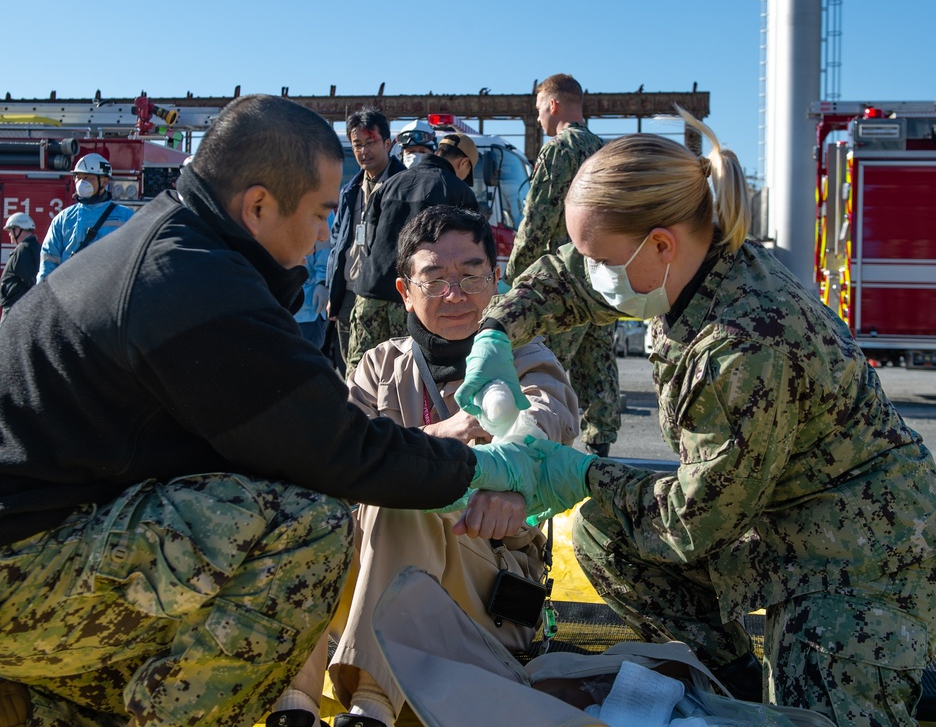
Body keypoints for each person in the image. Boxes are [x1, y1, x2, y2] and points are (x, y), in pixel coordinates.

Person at [0, 95, 547, 727]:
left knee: (258, 505)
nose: (320, 237)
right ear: (257, 206)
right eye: (317, 214)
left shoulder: (172, 248)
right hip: (4, 574)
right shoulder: (190, 283)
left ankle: (53, 709)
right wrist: (482, 469)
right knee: (308, 522)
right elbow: (335, 451)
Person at [454, 109, 936, 726]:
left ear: (660, 243)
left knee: (826, 723)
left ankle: (890, 664)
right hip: (767, 511)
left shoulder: (744, 344)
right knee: (608, 532)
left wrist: (577, 474)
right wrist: (497, 331)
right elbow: (568, 278)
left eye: (603, 258)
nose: (595, 273)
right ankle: (735, 681)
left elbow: (692, 522)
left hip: (854, 550)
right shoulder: (685, 266)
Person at [269, 205, 580, 727]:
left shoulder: (522, 358)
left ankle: (372, 702)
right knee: (309, 503)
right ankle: (295, 705)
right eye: (434, 279)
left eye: (471, 275)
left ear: (495, 279)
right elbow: (336, 461)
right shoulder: (380, 365)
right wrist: (442, 436)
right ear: (404, 291)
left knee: (410, 489)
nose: (455, 293)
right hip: (381, 580)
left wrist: (506, 482)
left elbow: (546, 426)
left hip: (486, 591)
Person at [505, 73, 620, 457]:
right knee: (598, 367)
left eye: (539, 109)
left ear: (553, 105)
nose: (538, 119)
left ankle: (539, 453)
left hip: (562, 284)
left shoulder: (559, 150)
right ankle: (600, 453)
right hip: (604, 279)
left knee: (543, 367)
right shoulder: (604, 152)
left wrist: (515, 279)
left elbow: (537, 222)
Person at [345, 132, 480, 377]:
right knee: (409, 382)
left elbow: (368, 240)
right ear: (463, 163)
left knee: (359, 376)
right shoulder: (459, 191)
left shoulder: (390, 183)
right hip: (412, 300)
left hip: (368, 294)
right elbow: (466, 253)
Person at [325, 109, 405, 376]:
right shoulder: (349, 191)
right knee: (352, 372)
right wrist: (332, 293)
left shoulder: (405, 186)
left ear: (387, 143)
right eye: (357, 144)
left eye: (370, 142)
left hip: (388, 297)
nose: (363, 151)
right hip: (350, 292)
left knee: (391, 371)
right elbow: (338, 244)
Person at [37, 152, 135, 281]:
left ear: (104, 181)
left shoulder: (126, 216)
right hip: (70, 293)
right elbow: (49, 259)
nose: (82, 183)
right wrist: (44, 296)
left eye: (89, 178)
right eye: (78, 177)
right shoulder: (63, 219)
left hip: (107, 292)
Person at [294, 211, 333, 349]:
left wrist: (322, 282)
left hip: (309, 305)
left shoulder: (319, 205)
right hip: (279, 306)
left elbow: (327, 249)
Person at [0, 211, 40, 326]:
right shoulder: (34, 247)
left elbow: (29, 278)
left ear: (17, 230)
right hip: (22, 307)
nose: (9, 235)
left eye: (10, 231)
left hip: (14, 309)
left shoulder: (23, 250)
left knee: (5, 342)